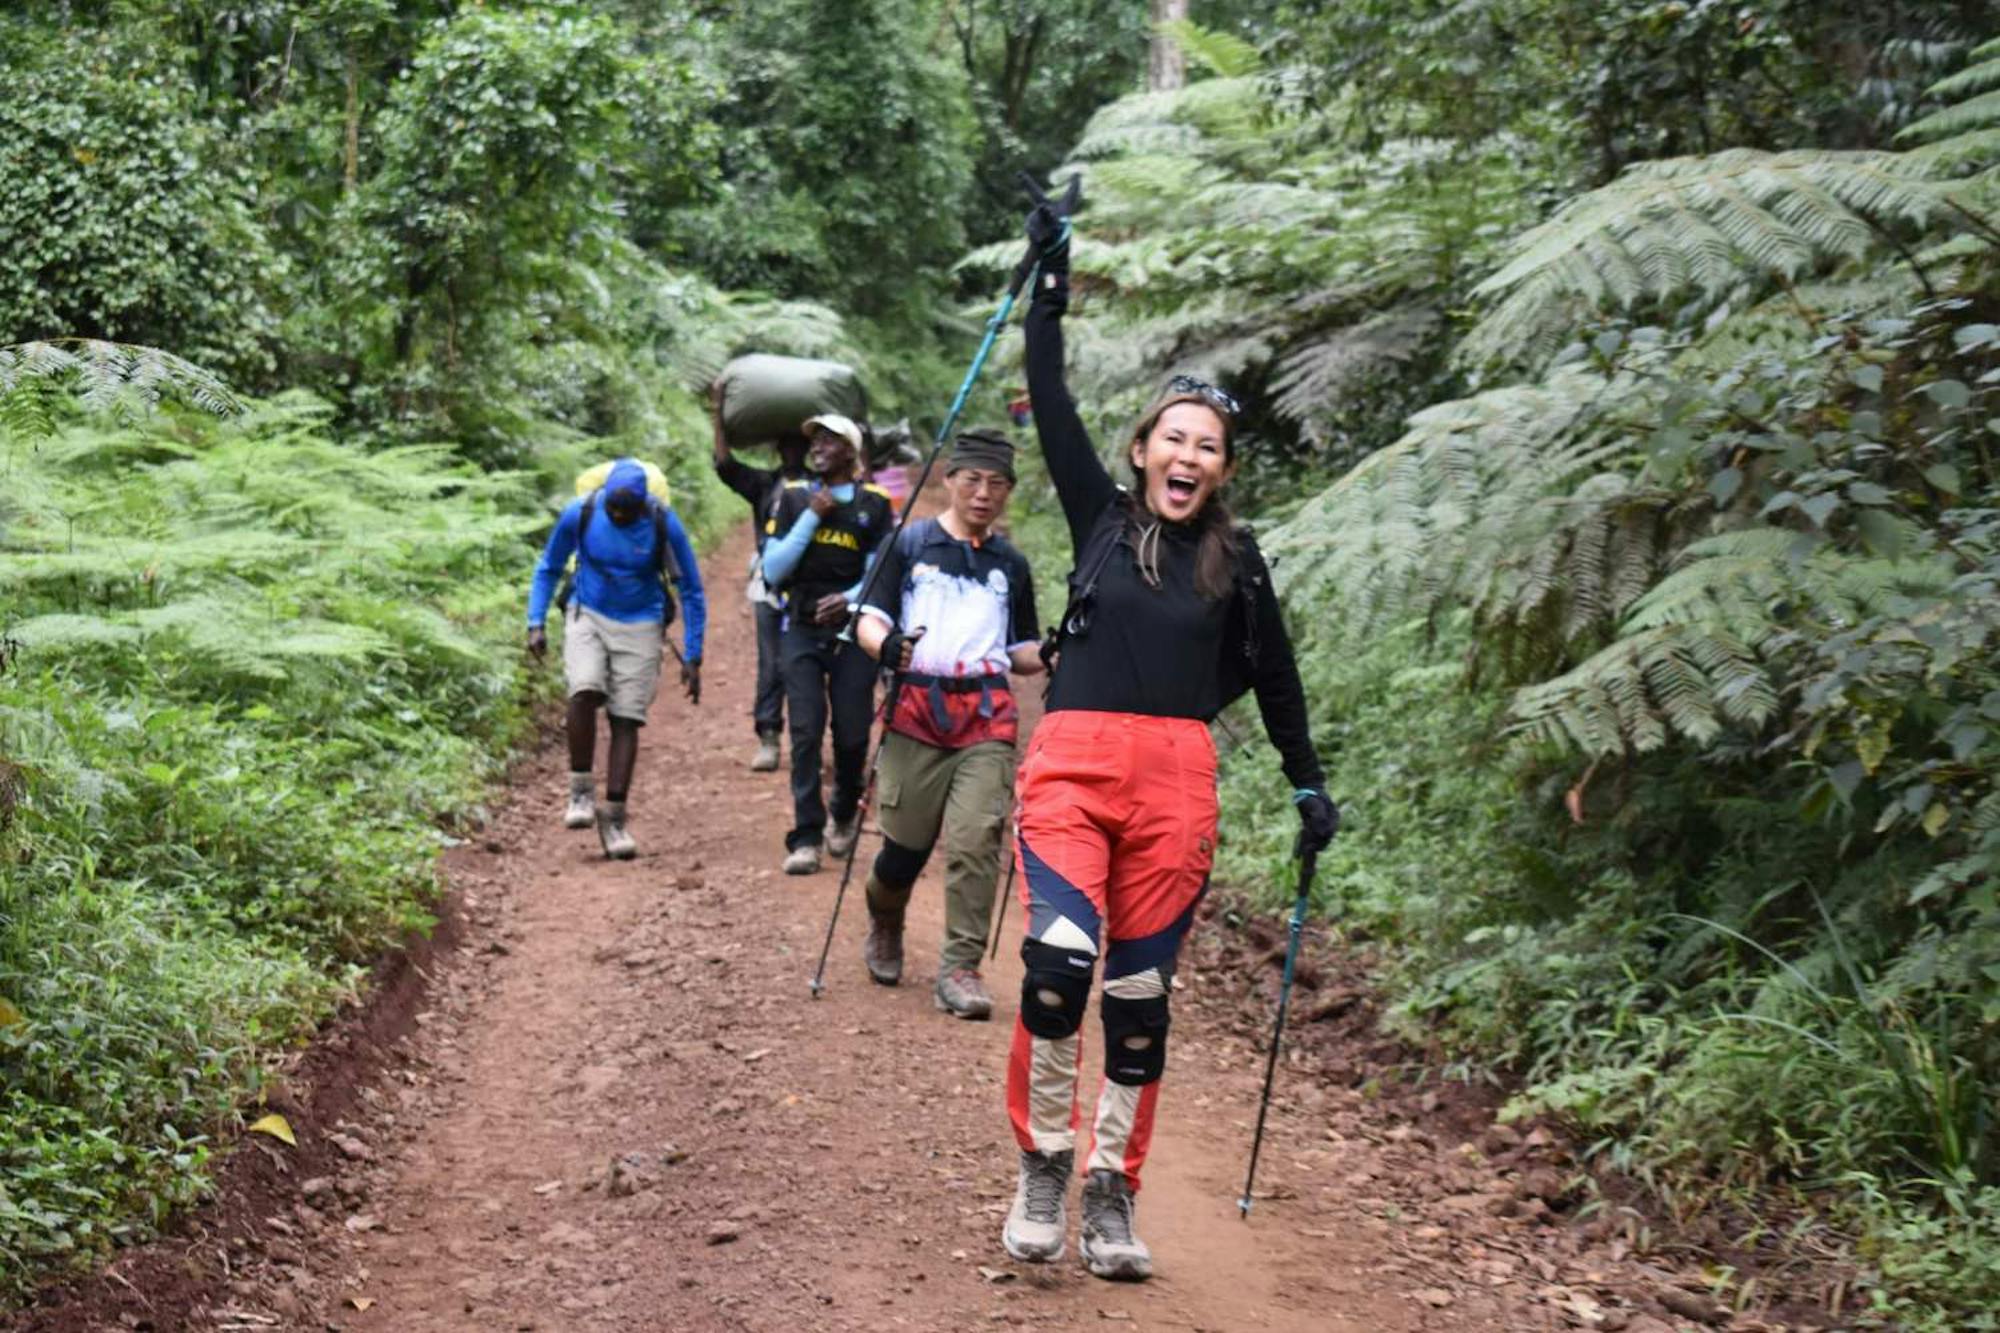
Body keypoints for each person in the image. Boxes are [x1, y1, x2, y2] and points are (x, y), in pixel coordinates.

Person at [999, 179, 1339, 1281]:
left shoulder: (1236, 562)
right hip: (1073, 764)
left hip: (1176, 786)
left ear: (1221, 469)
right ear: (1143, 449)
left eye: (1209, 447)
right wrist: (1048, 278)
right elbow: (1044, 385)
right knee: (1057, 966)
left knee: (1136, 1004)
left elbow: (1272, 674)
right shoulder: (1099, 519)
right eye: (1172, 438)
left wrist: (1304, 782)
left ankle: (1111, 1190)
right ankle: (1042, 1162)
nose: (1188, 456)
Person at [854, 428, 1044, 1019]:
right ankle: (886, 918)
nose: (984, 494)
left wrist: (1062, 649)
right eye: (973, 480)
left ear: (1009, 491)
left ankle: (961, 968)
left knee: (975, 842)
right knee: (903, 852)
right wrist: (888, 649)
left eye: (997, 484)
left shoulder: (1010, 563)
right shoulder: (908, 544)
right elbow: (869, 617)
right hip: (916, 712)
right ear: (950, 481)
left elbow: (1020, 649)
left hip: (987, 715)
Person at [526, 459, 706, 860]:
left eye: (628, 512)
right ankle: (580, 792)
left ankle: (616, 817)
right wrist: (535, 622)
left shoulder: (664, 524)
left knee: (626, 718)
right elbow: (549, 567)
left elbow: (691, 589)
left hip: (641, 620)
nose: (620, 516)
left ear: (643, 506)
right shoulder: (582, 512)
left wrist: (693, 654)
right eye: (614, 510)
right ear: (605, 499)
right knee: (583, 690)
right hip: (587, 611)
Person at [759, 413, 894, 875]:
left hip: (853, 633)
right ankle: (806, 836)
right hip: (800, 628)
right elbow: (773, 569)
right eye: (814, 439)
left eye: (829, 440)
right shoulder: (794, 498)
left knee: (853, 733)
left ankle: (843, 808)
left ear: (851, 453)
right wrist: (812, 518)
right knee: (805, 731)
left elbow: (881, 570)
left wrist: (851, 600)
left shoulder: (874, 504)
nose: (817, 446)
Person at [711, 383, 810, 772]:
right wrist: (717, 412)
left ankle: (807, 739)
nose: (792, 453)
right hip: (769, 590)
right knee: (772, 664)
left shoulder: (823, 488)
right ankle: (768, 737)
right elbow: (724, 465)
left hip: (812, 591)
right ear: (777, 451)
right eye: (786, 447)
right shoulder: (764, 486)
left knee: (806, 666)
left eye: (798, 446)